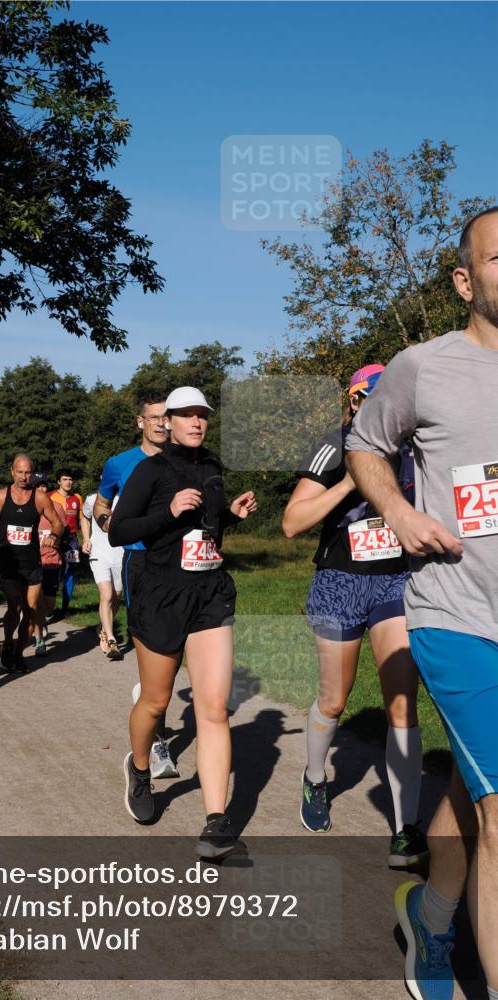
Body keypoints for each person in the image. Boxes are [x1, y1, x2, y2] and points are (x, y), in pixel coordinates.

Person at [346, 207, 498, 1000]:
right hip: (458, 614)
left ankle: (431, 913)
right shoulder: (422, 366)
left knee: (481, 796)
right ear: (465, 280)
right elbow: (366, 444)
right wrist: (400, 515)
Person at [282, 364, 426, 868]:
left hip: (395, 583)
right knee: (334, 698)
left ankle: (406, 828)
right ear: (355, 401)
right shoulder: (332, 444)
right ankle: (316, 778)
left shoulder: (416, 446)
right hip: (340, 581)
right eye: (373, 395)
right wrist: (350, 481)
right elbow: (291, 524)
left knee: (402, 704)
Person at [109, 386, 257, 857]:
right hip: (160, 595)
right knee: (155, 702)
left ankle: (216, 822)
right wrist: (167, 512)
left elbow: (206, 527)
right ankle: (138, 768)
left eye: (203, 416)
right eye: (187, 415)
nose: (196, 422)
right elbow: (119, 530)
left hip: (209, 592)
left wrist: (229, 516)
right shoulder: (149, 471)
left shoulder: (213, 467)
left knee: (214, 708)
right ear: (167, 421)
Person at [93, 390, 178, 778]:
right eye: (154, 417)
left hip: (184, 567)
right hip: (141, 562)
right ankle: (155, 743)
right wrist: (113, 528)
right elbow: (100, 506)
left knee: (176, 657)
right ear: (140, 422)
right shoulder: (119, 464)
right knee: (155, 650)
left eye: (167, 416)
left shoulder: (185, 460)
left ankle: (148, 697)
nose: (162, 423)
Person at [0, 454, 65, 672]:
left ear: (32, 473)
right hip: (9, 563)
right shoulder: (1, 496)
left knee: (31, 609)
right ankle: (8, 642)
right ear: (12, 472)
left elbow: (58, 524)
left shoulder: (40, 498)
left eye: (27, 472)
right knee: (15, 605)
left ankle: (18, 653)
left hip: (32, 563)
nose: (23, 476)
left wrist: (54, 537)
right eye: (19, 472)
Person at [82, 488, 124, 661]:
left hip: (120, 553)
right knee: (106, 594)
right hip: (98, 553)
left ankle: (103, 626)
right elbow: (84, 517)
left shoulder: (125, 499)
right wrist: (86, 539)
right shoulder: (92, 499)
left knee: (116, 596)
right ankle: (110, 638)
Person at [30, 474, 67, 657]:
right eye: (37, 486)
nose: (42, 490)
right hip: (33, 562)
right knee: (36, 601)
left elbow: (63, 531)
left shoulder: (57, 508)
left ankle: (43, 620)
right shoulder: (28, 508)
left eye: (44, 486)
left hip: (52, 560)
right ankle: (39, 640)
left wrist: (55, 539)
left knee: (49, 603)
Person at [50, 471, 83, 617]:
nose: (68, 482)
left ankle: (64, 608)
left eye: (70, 479)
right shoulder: (50, 496)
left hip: (72, 541)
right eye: (65, 479)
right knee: (54, 572)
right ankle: (49, 607)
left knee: (70, 573)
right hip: (55, 539)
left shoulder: (77, 498)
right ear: (58, 481)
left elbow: (82, 521)